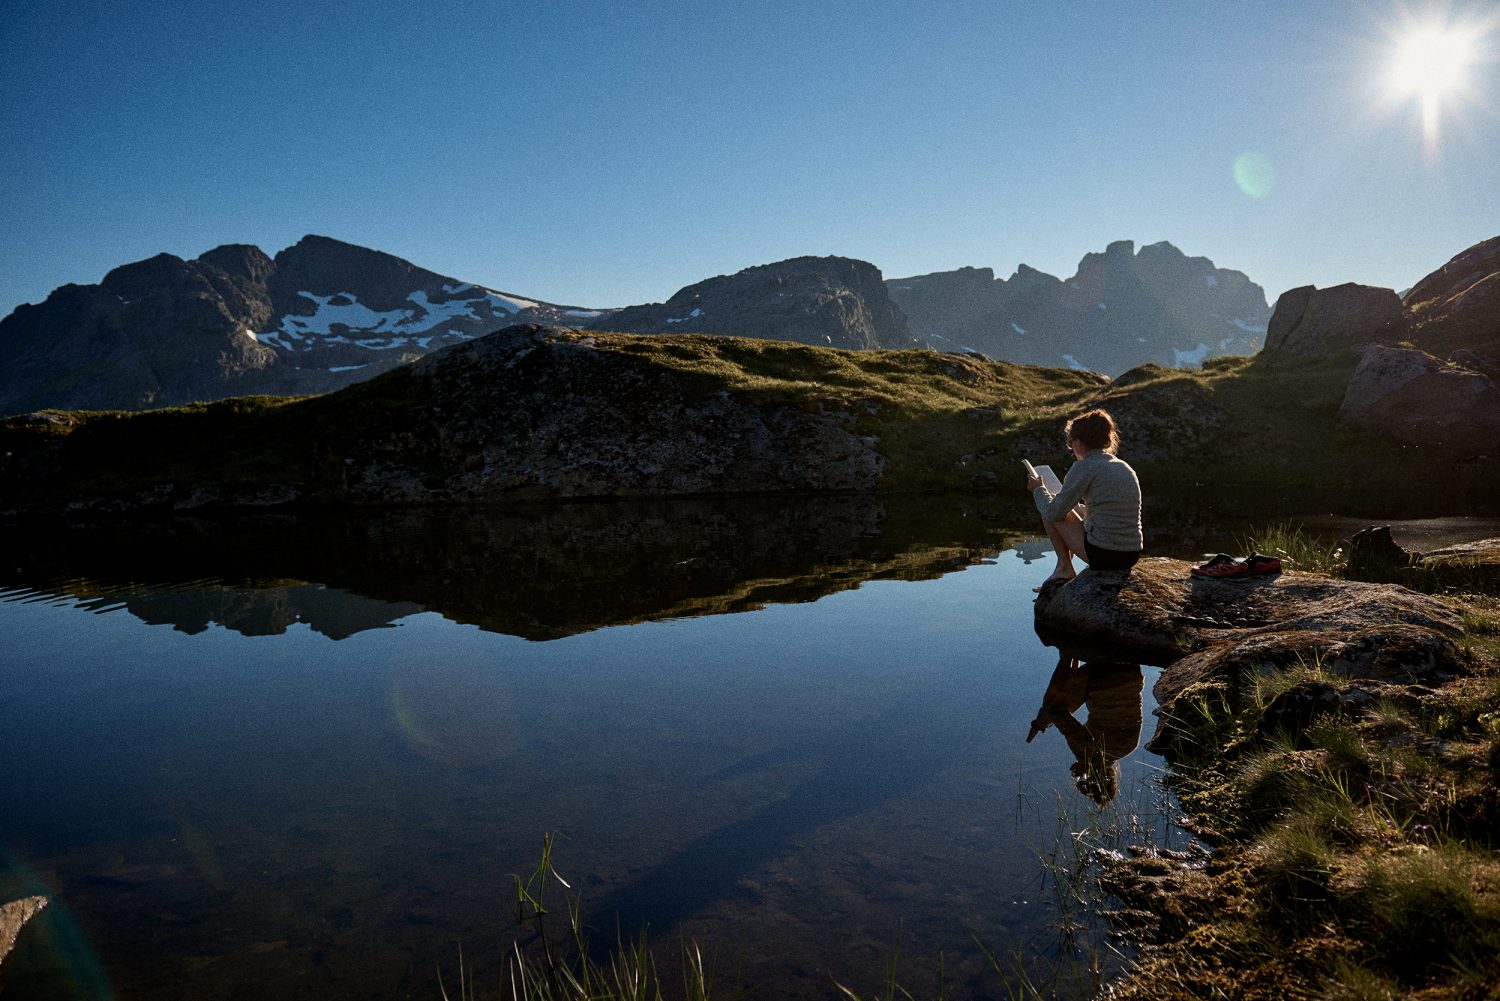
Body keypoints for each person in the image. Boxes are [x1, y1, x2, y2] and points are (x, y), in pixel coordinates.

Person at [1026, 408, 1141, 589]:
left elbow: (1054, 512)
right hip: (1131, 554)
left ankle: (1064, 567)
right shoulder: (1123, 466)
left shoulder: (1084, 466)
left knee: (1047, 507)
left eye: (1071, 444)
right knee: (1062, 504)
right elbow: (1104, 511)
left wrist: (1038, 490)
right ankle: (1063, 566)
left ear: (1078, 443)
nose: (1072, 449)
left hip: (1105, 555)